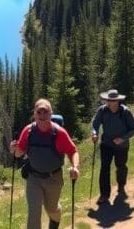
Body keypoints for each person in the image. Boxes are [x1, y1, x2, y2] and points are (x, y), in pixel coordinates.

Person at [10, 98, 80, 229]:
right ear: (34, 114)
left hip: (54, 178)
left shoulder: (59, 133)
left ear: (50, 114)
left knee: (52, 209)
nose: (42, 115)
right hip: (34, 178)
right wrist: (13, 150)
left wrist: (75, 167)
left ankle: (55, 220)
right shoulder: (28, 131)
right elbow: (19, 152)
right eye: (39, 112)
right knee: (34, 212)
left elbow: (73, 151)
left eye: (45, 112)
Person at [91, 89, 134, 205]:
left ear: (117, 101)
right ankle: (104, 194)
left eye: (112, 100)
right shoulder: (102, 110)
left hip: (121, 145)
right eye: (108, 100)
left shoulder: (125, 112)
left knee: (121, 166)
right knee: (104, 168)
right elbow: (95, 123)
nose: (109, 102)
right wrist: (94, 133)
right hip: (106, 144)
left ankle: (121, 186)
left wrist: (122, 138)